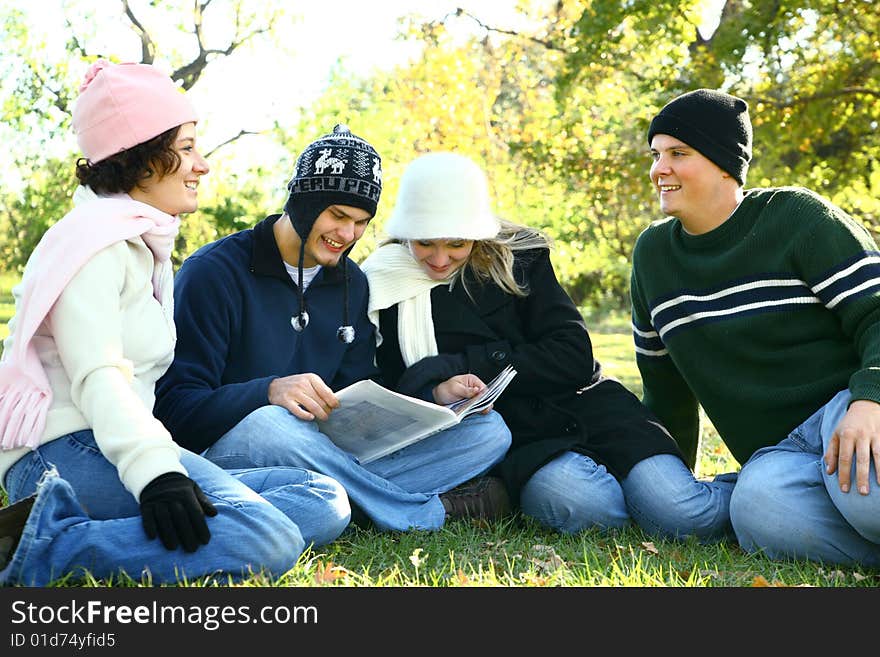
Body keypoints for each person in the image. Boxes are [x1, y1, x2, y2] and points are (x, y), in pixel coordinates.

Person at [0, 60, 350, 587]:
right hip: (63, 450)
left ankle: (125, 525)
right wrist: (159, 475)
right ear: (139, 156)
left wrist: (164, 464)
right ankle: (45, 545)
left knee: (322, 499)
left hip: (124, 441)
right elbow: (100, 377)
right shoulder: (92, 245)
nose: (202, 165)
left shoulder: (143, 243)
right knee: (269, 538)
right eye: (186, 147)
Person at [153, 125, 512, 532]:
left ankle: (341, 500)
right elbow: (175, 410)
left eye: (361, 222)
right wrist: (268, 391)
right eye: (337, 215)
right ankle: (425, 512)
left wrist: (432, 399)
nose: (347, 235)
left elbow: (358, 388)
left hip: (322, 454)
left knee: (488, 433)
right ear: (303, 203)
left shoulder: (350, 283)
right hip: (235, 451)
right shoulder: (214, 273)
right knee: (273, 422)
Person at [360, 152, 733, 539]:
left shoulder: (521, 260)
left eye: (456, 243)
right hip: (525, 440)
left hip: (590, 408)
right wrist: (435, 388)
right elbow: (388, 383)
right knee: (589, 510)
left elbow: (572, 355)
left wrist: (474, 364)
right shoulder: (384, 284)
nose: (440, 259)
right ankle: (639, 505)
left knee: (685, 515)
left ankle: (751, 489)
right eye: (425, 243)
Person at [632, 88, 880, 566]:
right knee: (759, 511)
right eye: (656, 154)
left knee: (864, 500)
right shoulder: (652, 257)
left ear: (726, 165)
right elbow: (665, 393)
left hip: (849, 408)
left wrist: (870, 400)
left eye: (678, 154)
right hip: (779, 455)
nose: (659, 169)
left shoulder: (796, 218)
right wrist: (671, 487)